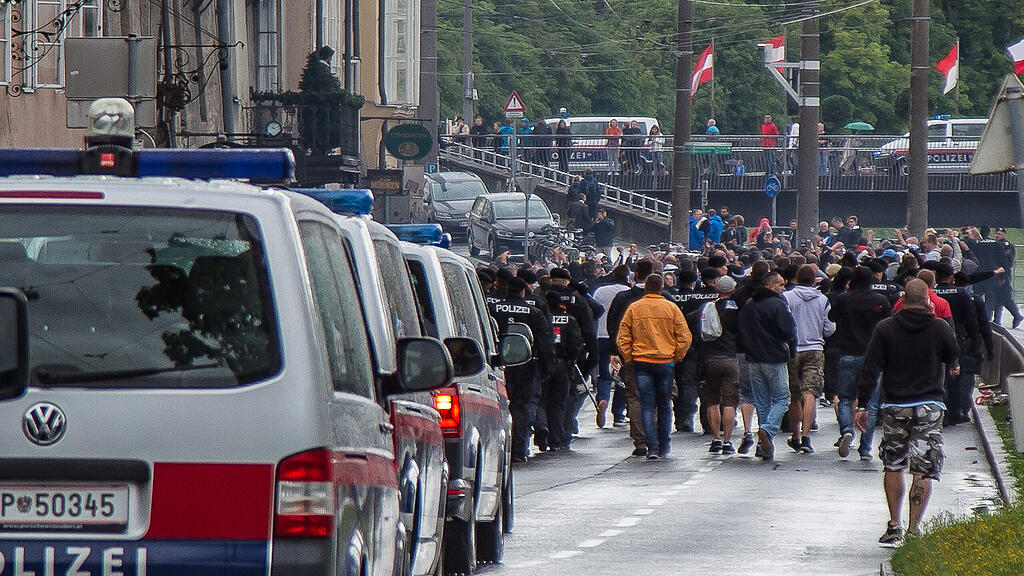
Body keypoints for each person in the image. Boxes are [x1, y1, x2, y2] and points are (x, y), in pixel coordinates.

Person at [856, 279, 959, 546]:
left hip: (895, 405)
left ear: (903, 298)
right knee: (923, 468)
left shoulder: (886, 328)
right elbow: (953, 356)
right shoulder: (940, 327)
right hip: (930, 405)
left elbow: (870, 368)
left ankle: (894, 524)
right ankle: (914, 529)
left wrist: (863, 404)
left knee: (893, 464)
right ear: (927, 300)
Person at [616, 273, 692, 460]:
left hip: (641, 362)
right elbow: (685, 337)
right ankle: (665, 444)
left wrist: (629, 357)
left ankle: (652, 447)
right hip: (665, 362)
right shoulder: (671, 308)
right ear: (662, 288)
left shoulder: (634, 308)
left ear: (645, 287)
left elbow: (622, 337)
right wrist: (676, 356)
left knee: (646, 405)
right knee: (665, 404)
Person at [489, 277, 555, 463]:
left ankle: (499, 451)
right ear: (524, 291)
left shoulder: (493, 310)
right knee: (522, 407)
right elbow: (545, 343)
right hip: (526, 366)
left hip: (498, 365)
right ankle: (518, 450)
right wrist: (546, 368)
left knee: (499, 407)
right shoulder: (534, 312)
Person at [829, 267, 892, 459]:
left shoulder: (843, 299)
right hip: (874, 356)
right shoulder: (880, 301)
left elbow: (831, 318)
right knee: (871, 404)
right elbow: (889, 322)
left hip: (848, 352)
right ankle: (865, 449)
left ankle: (847, 429)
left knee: (845, 398)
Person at [738, 271, 796, 460]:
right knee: (782, 398)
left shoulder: (749, 305)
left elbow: (741, 329)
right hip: (774, 356)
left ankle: (764, 446)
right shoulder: (778, 304)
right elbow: (788, 330)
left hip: (753, 358)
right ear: (771, 286)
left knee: (762, 402)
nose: (783, 288)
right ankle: (767, 430)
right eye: (780, 285)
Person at [782, 265, 836, 454]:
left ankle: (795, 434)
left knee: (794, 394)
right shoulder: (823, 300)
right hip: (815, 348)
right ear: (815, 280)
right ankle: (806, 435)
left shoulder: (787, 297)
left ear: (797, 278)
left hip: (793, 347)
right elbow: (829, 329)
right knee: (811, 392)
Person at [535, 290, 584, 452]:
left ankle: (541, 427)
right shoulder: (569, 320)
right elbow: (576, 344)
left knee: (541, 399)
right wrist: (571, 361)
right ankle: (556, 440)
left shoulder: (542, 318)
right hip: (563, 366)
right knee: (558, 404)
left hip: (543, 363)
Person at [702, 276, 740, 454]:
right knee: (730, 401)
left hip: (711, 357)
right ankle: (727, 441)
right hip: (731, 357)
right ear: (733, 290)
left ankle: (715, 438)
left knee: (713, 400)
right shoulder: (737, 309)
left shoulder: (710, 307)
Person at [592, 266, 632, 428]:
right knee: (622, 375)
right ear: (627, 277)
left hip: (601, 336)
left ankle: (602, 399)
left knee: (604, 374)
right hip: (619, 338)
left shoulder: (600, 291)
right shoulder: (628, 292)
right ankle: (618, 413)